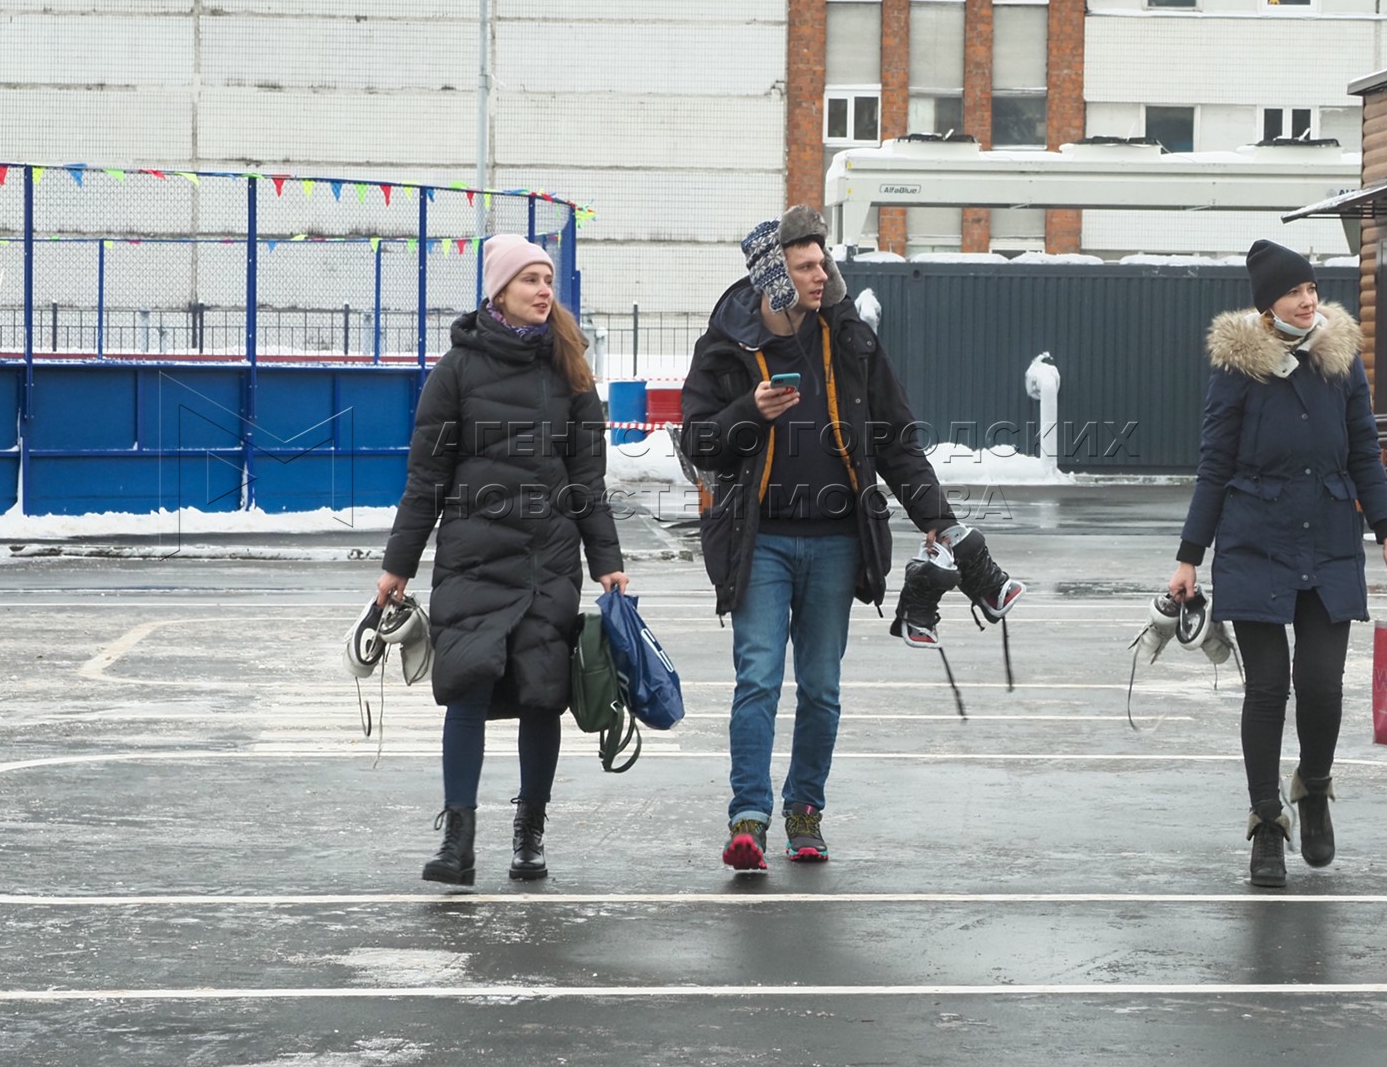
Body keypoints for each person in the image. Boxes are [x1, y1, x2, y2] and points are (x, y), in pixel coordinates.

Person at [681, 205, 1024, 871]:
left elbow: (896, 442)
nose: (821, 274)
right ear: (772, 275)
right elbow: (697, 442)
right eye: (805, 265)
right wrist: (747, 412)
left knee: (821, 688)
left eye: (823, 262)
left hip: (838, 539)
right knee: (757, 678)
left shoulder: (850, 338)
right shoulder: (727, 343)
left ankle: (804, 812)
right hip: (761, 542)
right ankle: (747, 818)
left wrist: (939, 521)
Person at [375, 233, 628, 888]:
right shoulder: (456, 370)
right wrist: (397, 565)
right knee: (468, 685)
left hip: (547, 558)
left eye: (548, 280)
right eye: (531, 280)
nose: (545, 291)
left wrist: (607, 561)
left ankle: (529, 834)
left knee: (543, 695)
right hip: (472, 556)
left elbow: (586, 481)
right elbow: (424, 477)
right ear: (499, 292)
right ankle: (458, 841)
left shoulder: (569, 371)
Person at [1170, 239, 1387, 888]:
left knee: (1323, 685)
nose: (1309, 300)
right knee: (1269, 688)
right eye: (1295, 292)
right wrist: (1189, 557)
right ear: (1268, 305)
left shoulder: (1341, 358)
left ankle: (1313, 789)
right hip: (1256, 542)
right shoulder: (1238, 368)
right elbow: (1215, 464)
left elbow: (1365, 449)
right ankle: (1267, 824)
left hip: (1331, 537)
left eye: (1311, 288)